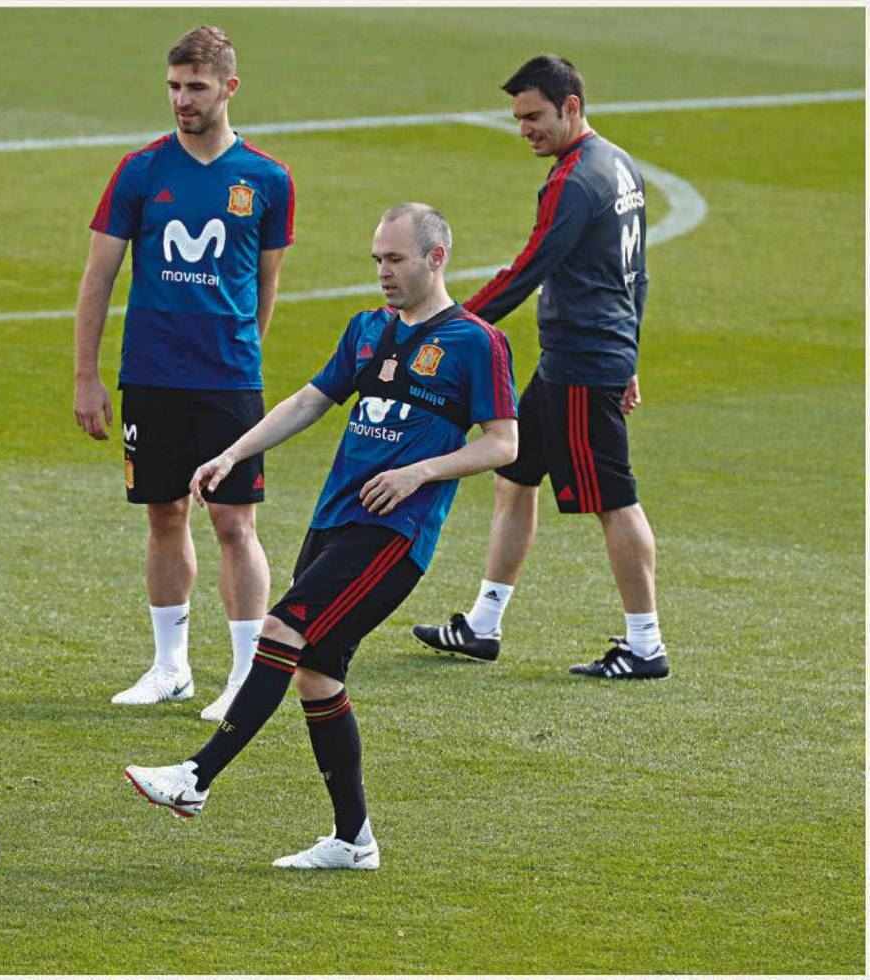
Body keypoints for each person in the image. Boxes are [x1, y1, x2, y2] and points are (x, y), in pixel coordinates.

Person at [124, 204, 517, 868]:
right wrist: (233, 453)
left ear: (436, 258)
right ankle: (353, 840)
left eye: (395, 259)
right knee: (316, 675)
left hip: (392, 535)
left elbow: (503, 443)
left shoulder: (476, 342)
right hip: (332, 522)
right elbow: (310, 400)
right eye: (377, 259)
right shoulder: (366, 330)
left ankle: (195, 777)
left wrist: (419, 472)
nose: (383, 272)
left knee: (282, 630)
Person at [411, 55, 670, 680]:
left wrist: (450, 321)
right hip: (581, 357)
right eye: (518, 118)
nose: (524, 129)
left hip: (583, 362)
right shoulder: (620, 164)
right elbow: (636, 275)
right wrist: (630, 354)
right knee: (515, 474)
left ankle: (645, 646)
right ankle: (483, 625)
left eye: (533, 116)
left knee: (614, 500)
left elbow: (529, 267)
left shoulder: (575, 180)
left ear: (570, 107)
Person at [73, 25, 295, 721]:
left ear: (229, 88)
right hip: (151, 375)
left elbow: (264, 284)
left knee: (233, 523)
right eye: (173, 86)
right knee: (164, 514)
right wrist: (86, 377)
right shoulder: (139, 171)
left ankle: (244, 676)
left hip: (229, 381)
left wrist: (241, 352)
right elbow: (98, 277)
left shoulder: (267, 179)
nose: (181, 99)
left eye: (195, 86)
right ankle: (170, 668)